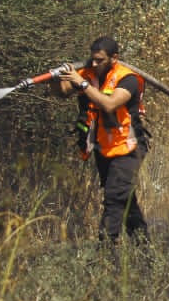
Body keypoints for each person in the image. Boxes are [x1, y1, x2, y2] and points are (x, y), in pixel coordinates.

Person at [59, 37, 149, 242]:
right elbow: (63, 92)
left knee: (114, 196)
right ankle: (143, 243)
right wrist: (58, 77)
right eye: (93, 60)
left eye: (100, 60)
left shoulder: (128, 79)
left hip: (129, 147)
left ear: (113, 58)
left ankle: (106, 247)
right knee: (124, 197)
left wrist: (81, 83)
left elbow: (109, 104)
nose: (95, 64)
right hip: (104, 147)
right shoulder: (88, 73)